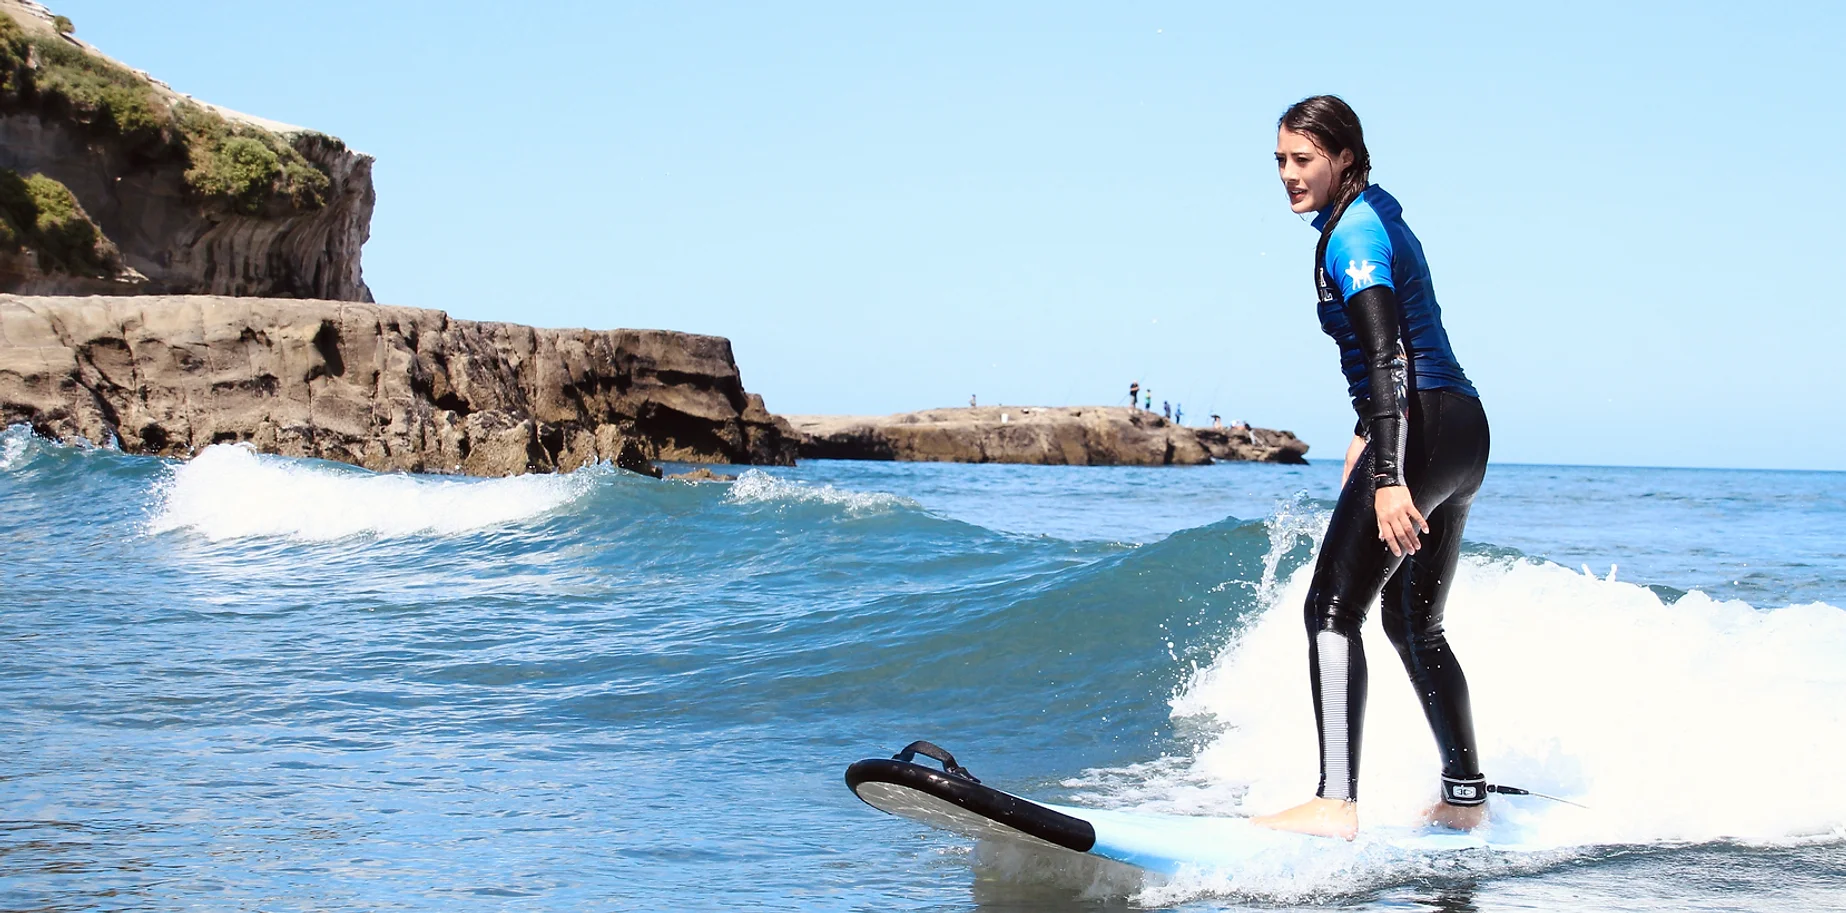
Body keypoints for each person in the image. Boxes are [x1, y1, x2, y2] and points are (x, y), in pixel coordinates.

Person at [1251, 95, 1492, 840]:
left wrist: (1388, 474)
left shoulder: (1351, 234)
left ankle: (1334, 801)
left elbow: (1388, 357)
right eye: (1280, 161)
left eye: (1304, 159)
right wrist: (1371, 432)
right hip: (1464, 431)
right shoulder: (1378, 215)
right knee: (1414, 621)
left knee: (1330, 610)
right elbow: (1402, 355)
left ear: (1344, 157)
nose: (1289, 175)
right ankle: (1464, 794)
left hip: (1418, 428)